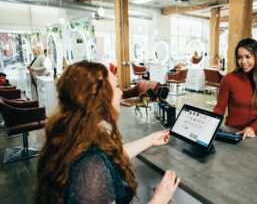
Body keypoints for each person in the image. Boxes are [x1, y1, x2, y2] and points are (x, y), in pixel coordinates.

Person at [34, 61, 180, 204]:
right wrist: (159, 200)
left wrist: (151, 139)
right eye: (116, 86)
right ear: (99, 97)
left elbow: (111, 155)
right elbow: (97, 159)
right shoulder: (89, 168)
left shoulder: (73, 133)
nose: (121, 92)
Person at [214, 38, 257, 139]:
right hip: (231, 132)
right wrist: (212, 123)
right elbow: (220, 108)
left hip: (254, 134)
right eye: (239, 57)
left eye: (248, 57)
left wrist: (252, 128)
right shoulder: (228, 79)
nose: (243, 62)